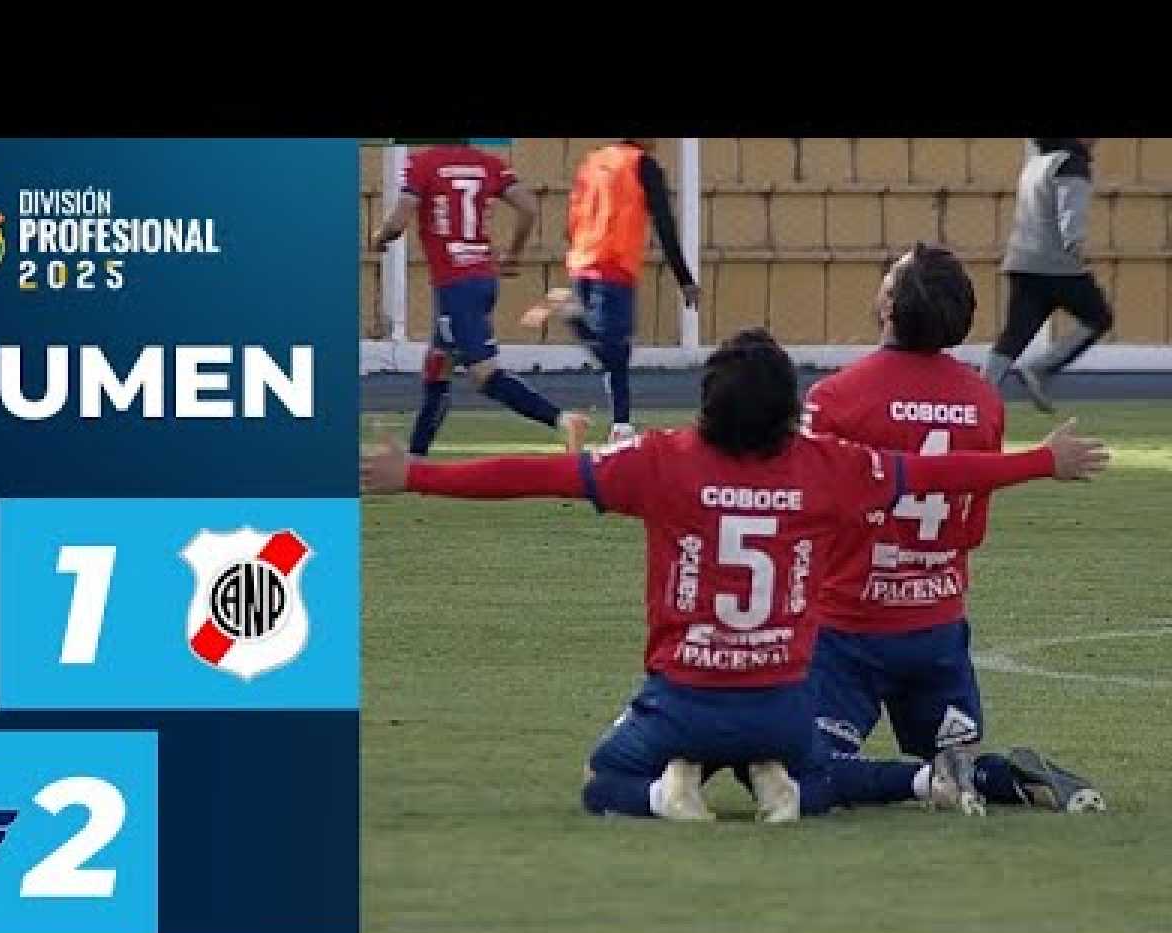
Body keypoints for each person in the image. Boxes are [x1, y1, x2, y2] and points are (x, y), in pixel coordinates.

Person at [362, 327, 1110, 823]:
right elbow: (938, 472)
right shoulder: (829, 468)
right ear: (790, 411)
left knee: (605, 780)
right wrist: (1041, 460)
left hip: (682, 699)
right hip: (782, 701)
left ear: (709, 405)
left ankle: (668, 794)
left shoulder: (660, 462)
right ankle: (909, 780)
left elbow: (536, 477)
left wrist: (418, 475)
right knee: (822, 776)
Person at [802, 242, 1107, 815]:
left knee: (809, 773)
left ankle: (920, 783)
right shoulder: (983, 402)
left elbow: (807, 510)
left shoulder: (834, 398)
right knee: (957, 756)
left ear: (889, 304)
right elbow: (970, 528)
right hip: (937, 630)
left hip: (849, 626)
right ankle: (1005, 777)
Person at [371, 140, 589, 456]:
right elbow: (528, 206)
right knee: (438, 365)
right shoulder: (488, 163)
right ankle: (416, 457)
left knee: (485, 375)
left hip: (456, 285)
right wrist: (514, 254)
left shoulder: (423, 163)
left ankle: (563, 420)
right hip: (481, 279)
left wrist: (380, 238)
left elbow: (398, 221)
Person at [521, 139, 700, 444]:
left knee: (613, 350)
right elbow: (664, 223)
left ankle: (621, 423)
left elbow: (574, 214)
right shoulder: (642, 165)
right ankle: (620, 423)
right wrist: (684, 277)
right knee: (615, 351)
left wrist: (578, 249)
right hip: (613, 263)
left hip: (583, 259)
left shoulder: (593, 161)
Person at [983, 139, 1114, 413]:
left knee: (1015, 334)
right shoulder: (1072, 164)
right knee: (1099, 317)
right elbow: (1071, 215)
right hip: (1058, 266)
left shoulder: (1035, 164)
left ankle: (980, 392)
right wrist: (1075, 248)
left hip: (1022, 261)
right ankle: (1040, 368)